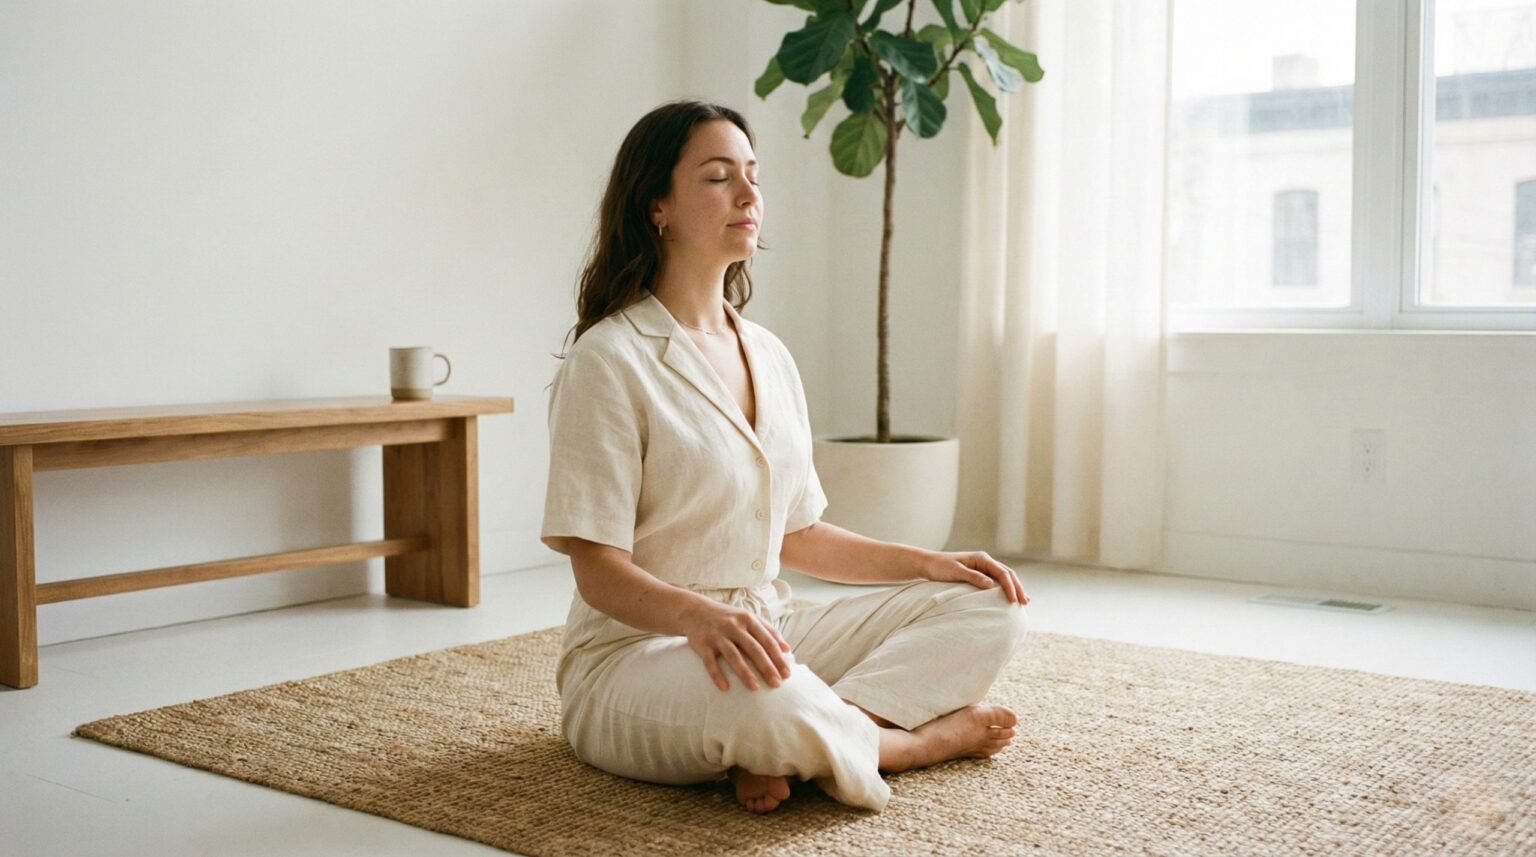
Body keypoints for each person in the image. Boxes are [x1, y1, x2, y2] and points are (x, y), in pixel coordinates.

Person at [540, 98, 1031, 814]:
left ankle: (802, 743)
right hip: (638, 654)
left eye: (753, 175)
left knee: (993, 602)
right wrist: (699, 619)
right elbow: (597, 569)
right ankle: (909, 744)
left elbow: (797, 535)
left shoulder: (768, 354)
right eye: (718, 177)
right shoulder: (609, 357)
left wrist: (928, 562)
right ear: (657, 207)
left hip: (770, 631)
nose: (748, 196)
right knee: (769, 696)